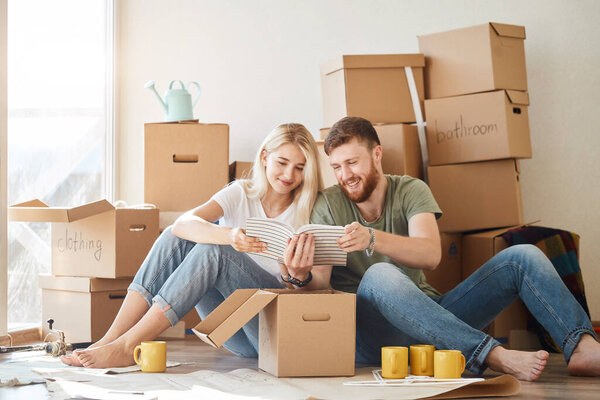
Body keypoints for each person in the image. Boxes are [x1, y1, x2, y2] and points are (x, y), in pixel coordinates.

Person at [309, 116, 600, 381]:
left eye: (352, 162)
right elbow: (321, 284)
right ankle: (491, 354)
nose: (345, 174)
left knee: (523, 256)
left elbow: (431, 255)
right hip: (373, 335)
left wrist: (372, 238)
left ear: (377, 154)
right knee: (379, 274)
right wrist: (299, 272)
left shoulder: (411, 190)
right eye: (336, 166)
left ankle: (582, 347)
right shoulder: (328, 204)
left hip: (434, 323)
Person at [61, 123, 330, 368]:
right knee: (176, 237)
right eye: (282, 163)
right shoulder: (241, 193)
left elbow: (322, 288)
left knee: (213, 251)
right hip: (231, 331)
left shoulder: (314, 208)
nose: (288, 174)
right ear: (264, 158)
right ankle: (111, 339)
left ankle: (129, 346)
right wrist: (230, 235)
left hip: (271, 329)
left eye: (300, 167)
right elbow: (182, 224)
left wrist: (295, 275)